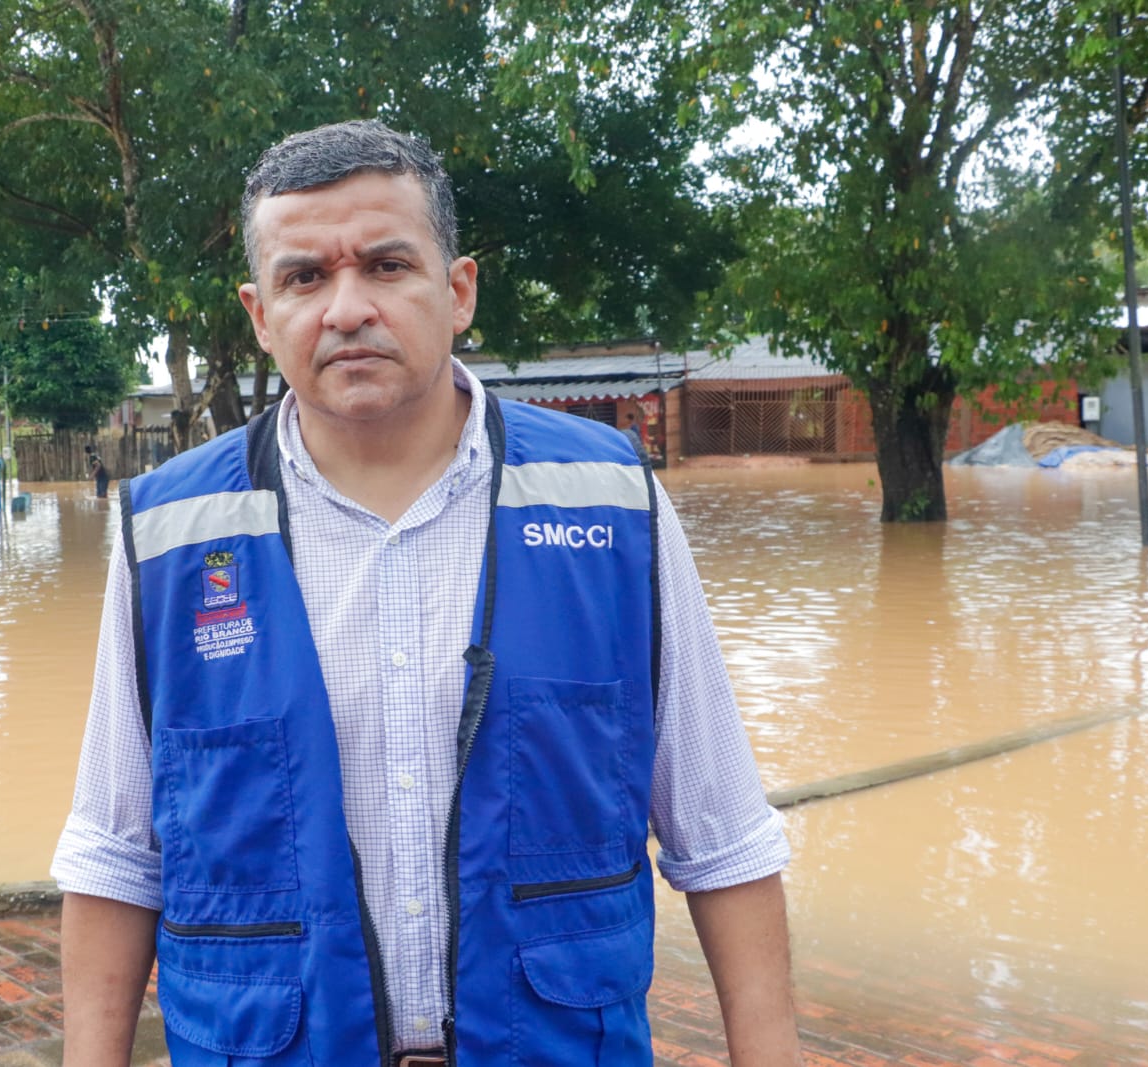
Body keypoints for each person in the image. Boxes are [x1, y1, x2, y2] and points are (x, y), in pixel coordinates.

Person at [53, 119, 801, 1067]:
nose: (346, 308)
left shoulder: (612, 505)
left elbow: (722, 834)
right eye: (304, 277)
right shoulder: (168, 535)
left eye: (386, 264)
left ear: (458, 291)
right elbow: (118, 857)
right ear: (258, 312)